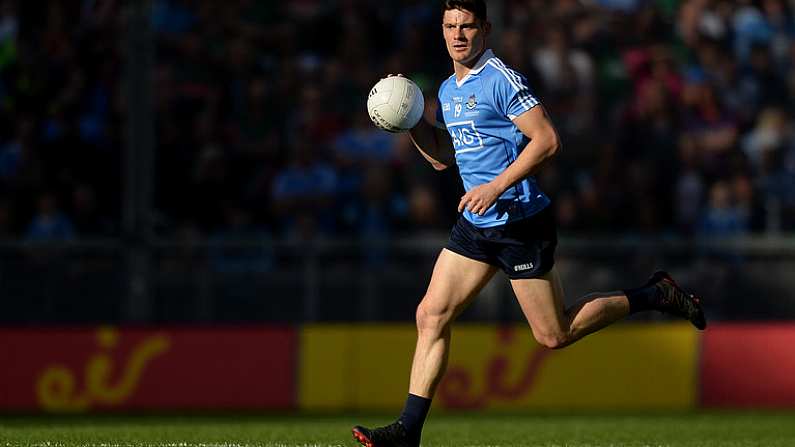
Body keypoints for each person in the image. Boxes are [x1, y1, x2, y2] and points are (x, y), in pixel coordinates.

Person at [352, 1, 706, 446]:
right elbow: (445, 158)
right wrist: (411, 122)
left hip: (519, 222)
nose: (458, 34)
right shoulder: (446, 89)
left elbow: (547, 140)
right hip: (477, 223)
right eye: (450, 26)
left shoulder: (500, 79)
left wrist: (494, 187)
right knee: (431, 314)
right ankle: (408, 431)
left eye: (467, 26)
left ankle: (654, 293)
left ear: (486, 29)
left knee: (554, 335)